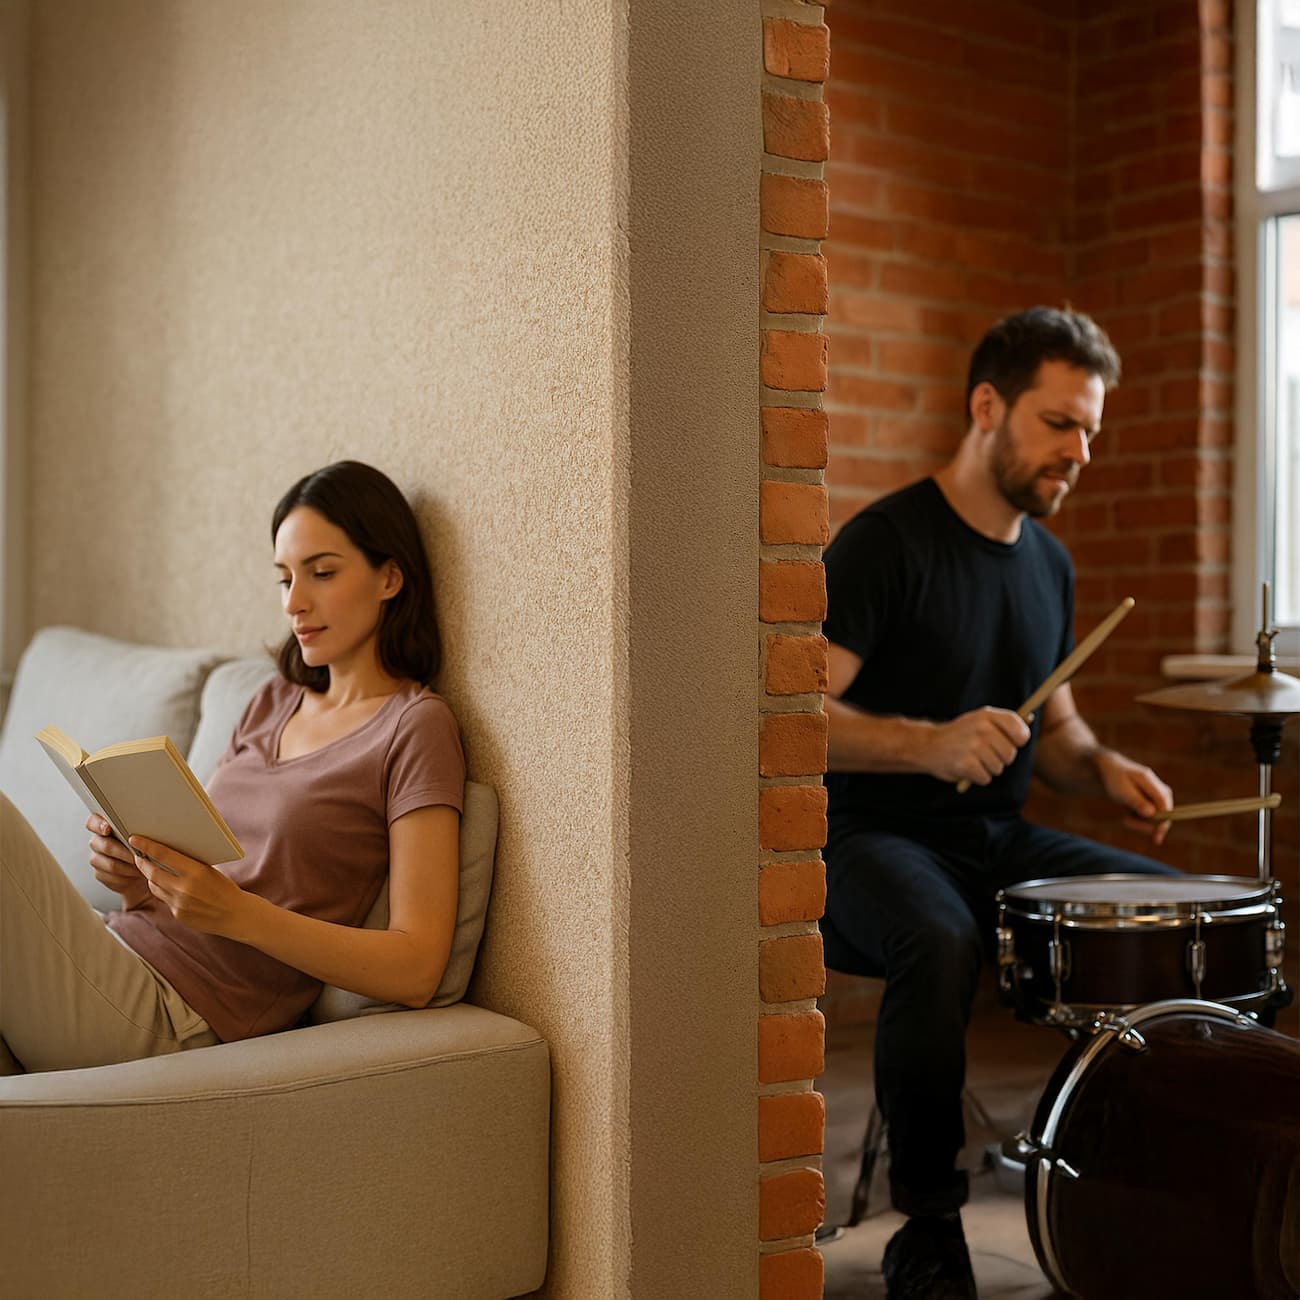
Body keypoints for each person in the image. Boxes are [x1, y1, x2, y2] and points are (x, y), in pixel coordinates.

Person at [819, 308, 1175, 1299]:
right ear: (986, 407)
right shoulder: (884, 543)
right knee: (935, 941)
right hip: (870, 837)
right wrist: (926, 744)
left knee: (1175, 913)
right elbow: (792, 718)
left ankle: (1135, 1186)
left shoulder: (1048, 565)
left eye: (1091, 431)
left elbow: (1055, 732)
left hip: (998, 836)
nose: (1081, 452)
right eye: (1060, 424)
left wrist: (1103, 768)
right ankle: (925, 1224)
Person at [0, 460, 464, 1073]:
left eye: (322, 573)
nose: (295, 603)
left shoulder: (415, 727)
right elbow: (199, 884)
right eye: (284, 578)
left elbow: (417, 966)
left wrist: (244, 916)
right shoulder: (271, 701)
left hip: (176, 1011)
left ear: (390, 578)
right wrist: (140, 880)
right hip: (118, 946)